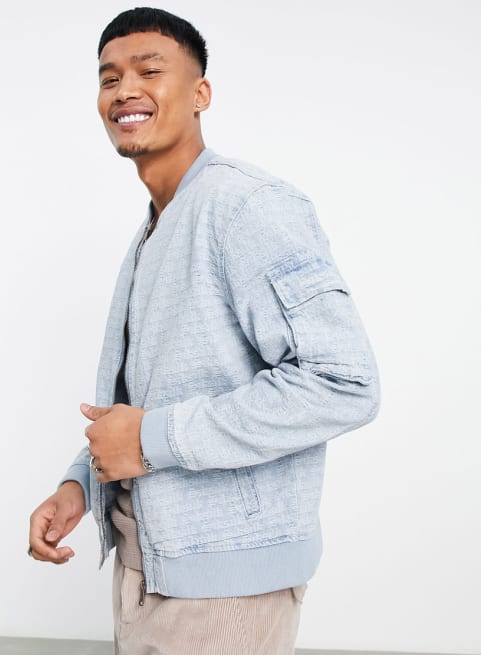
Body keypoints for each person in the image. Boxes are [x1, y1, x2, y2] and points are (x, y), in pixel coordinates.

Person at [28, 7, 381, 654]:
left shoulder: (245, 207)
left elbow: (343, 383)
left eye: (149, 71)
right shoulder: (158, 225)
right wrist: (81, 482)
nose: (124, 90)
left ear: (201, 94)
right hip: (147, 567)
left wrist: (150, 439)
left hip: (224, 592)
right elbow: (153, 398)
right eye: (109, 78)